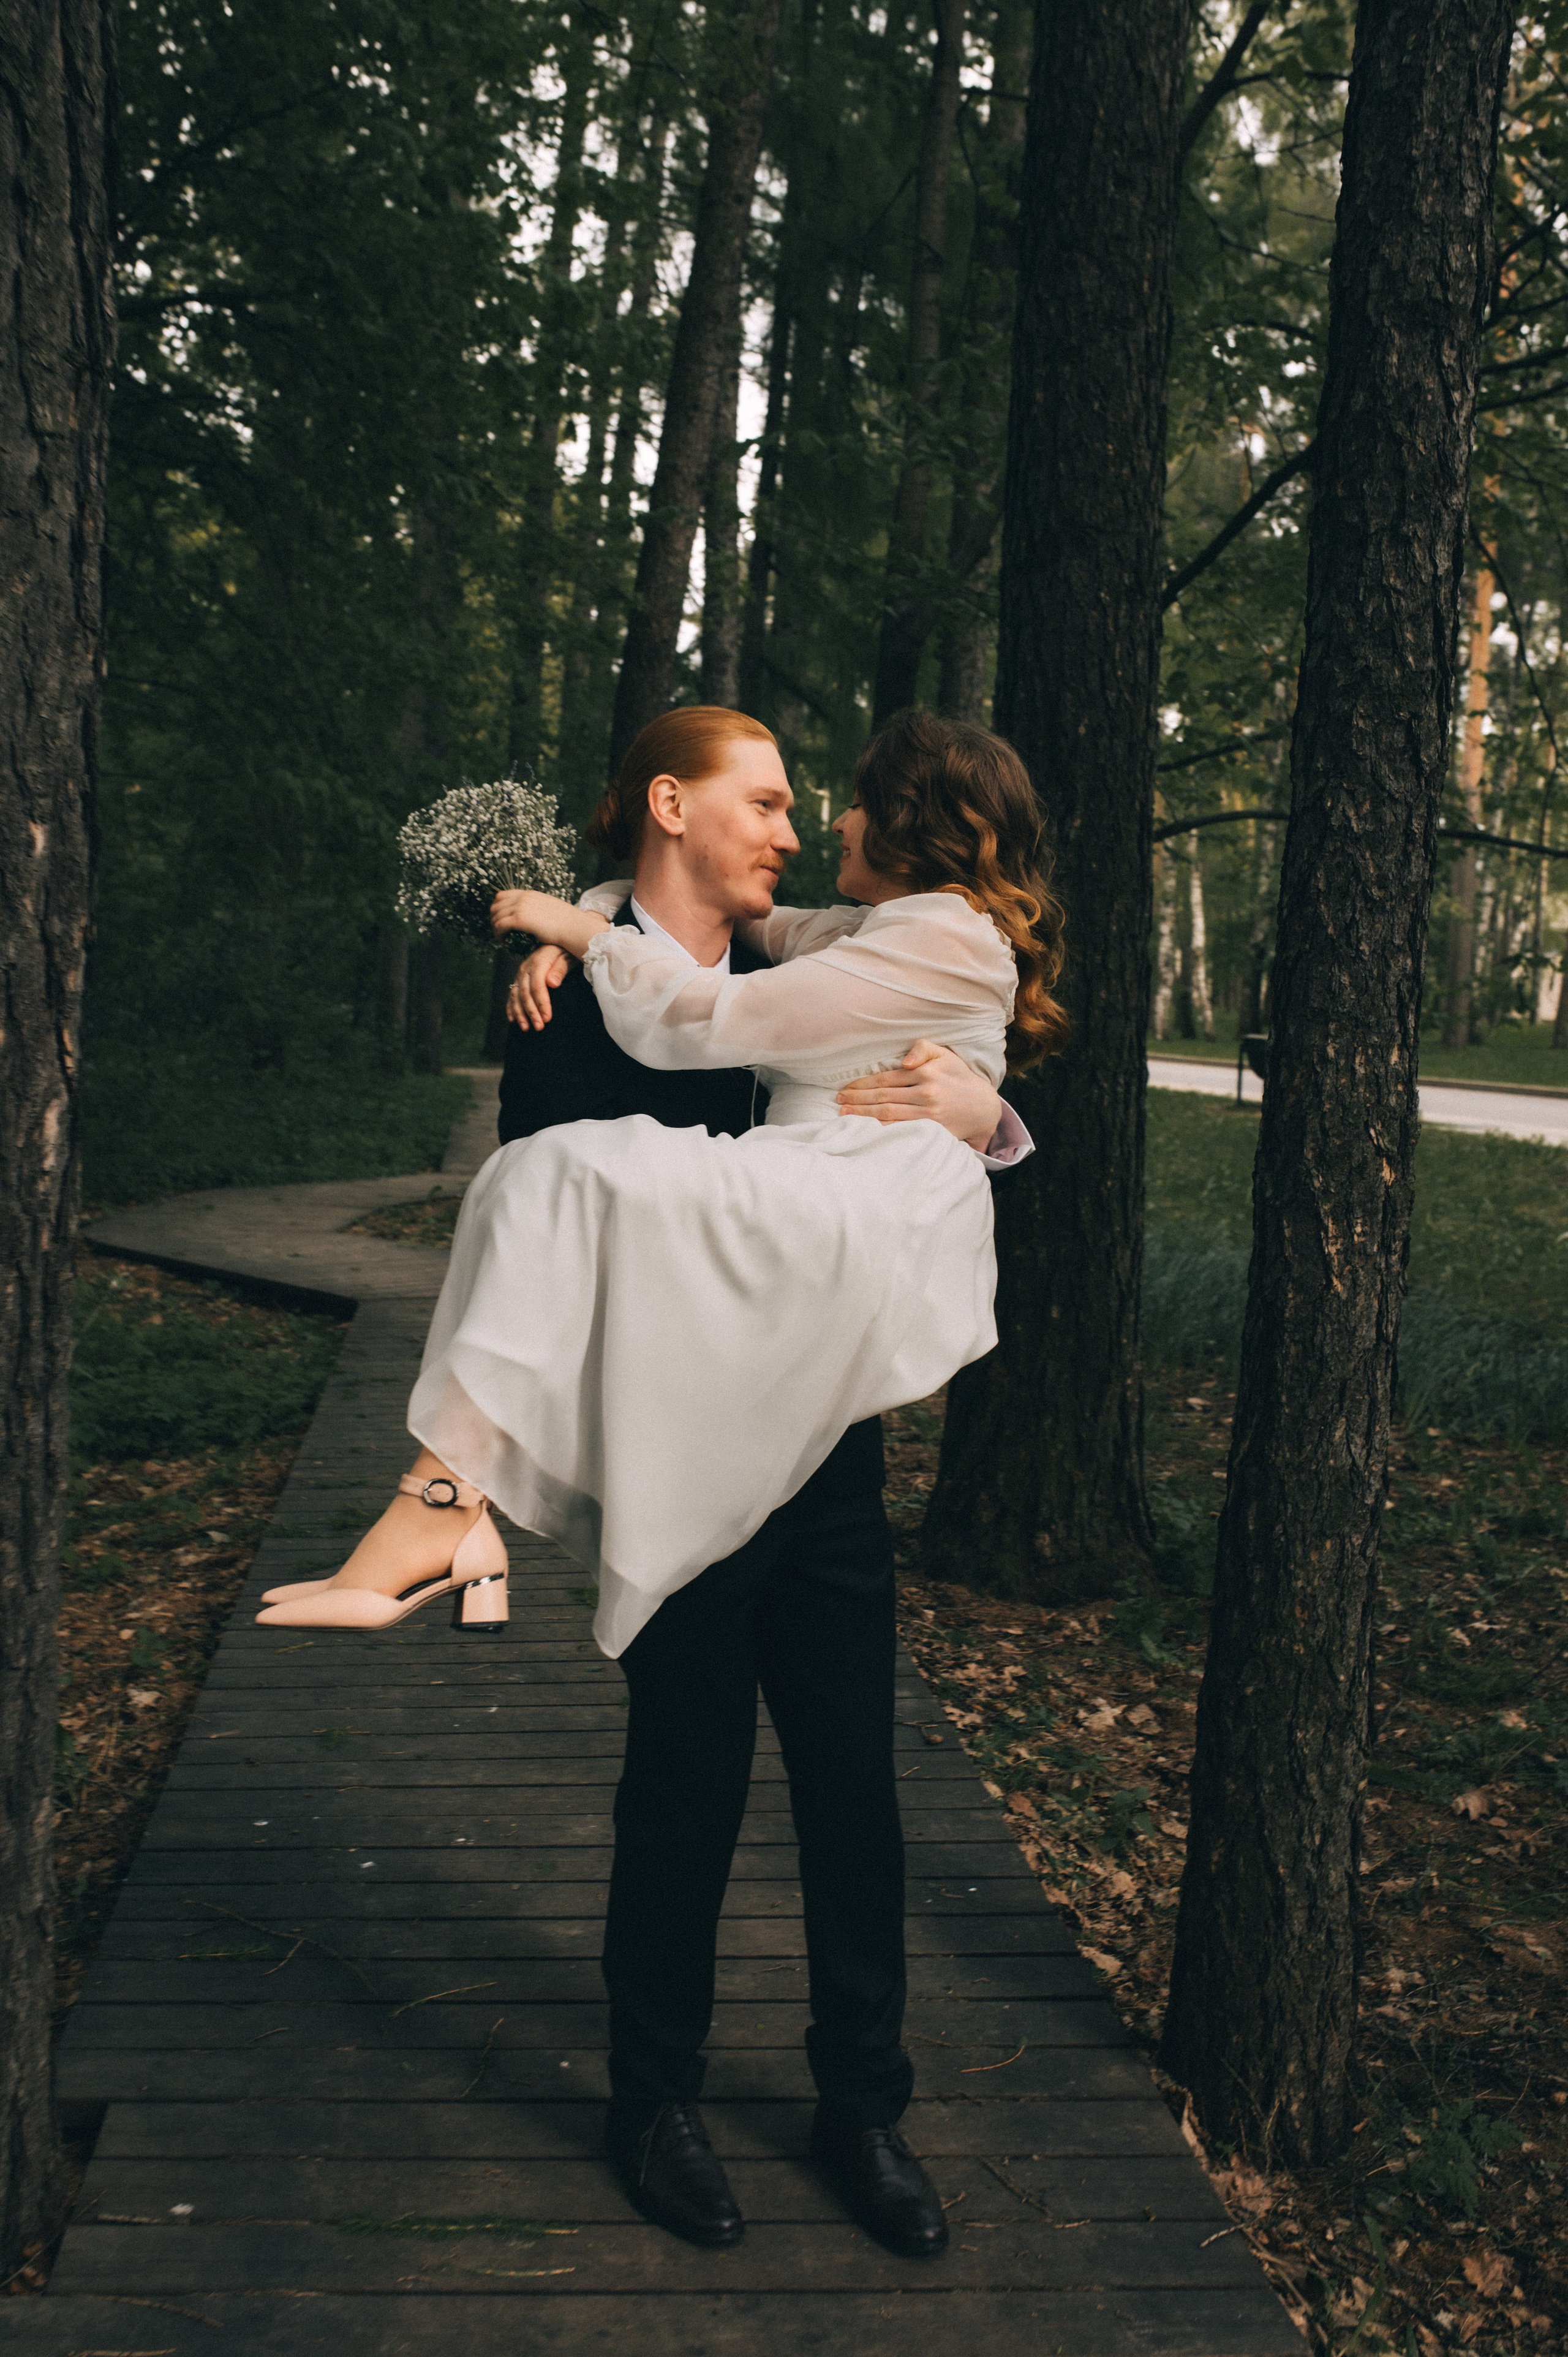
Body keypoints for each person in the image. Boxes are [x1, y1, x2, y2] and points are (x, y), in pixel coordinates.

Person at [257, 705, 1066, 2260]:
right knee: (682, 1781)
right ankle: (655, 2101)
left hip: (823, 1444)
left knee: (851, 1784)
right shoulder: (564, 990)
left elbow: (940, 1056)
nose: (787, 831)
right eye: (763, 804)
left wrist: (989, 1116)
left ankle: (863, 2105)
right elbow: (561, 1225)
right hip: (681, 1442)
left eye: (801, 809)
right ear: (669, 808)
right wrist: (562, 940)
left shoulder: (795, 958)